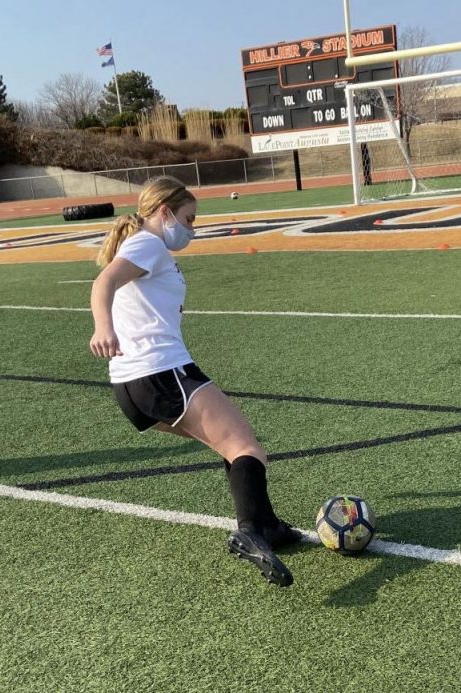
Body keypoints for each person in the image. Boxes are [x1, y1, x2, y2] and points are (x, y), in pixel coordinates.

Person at [89, 176, 300, 588]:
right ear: (164, 211)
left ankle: (267, 524)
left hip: (131, 386)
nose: (193, 228)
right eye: (188, 218)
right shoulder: (148, 242)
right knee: (246, 448)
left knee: (228, 444)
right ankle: (252, 530)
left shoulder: (145, 246)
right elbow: (104, 282)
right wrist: (103, 327)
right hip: (161, 371)